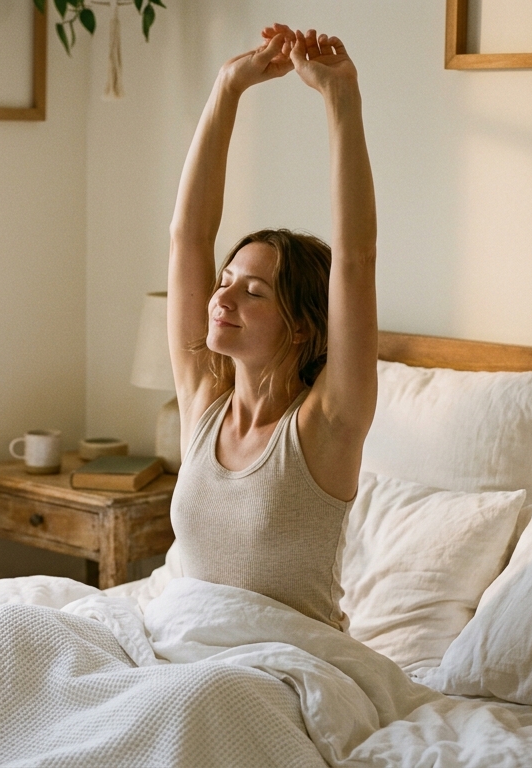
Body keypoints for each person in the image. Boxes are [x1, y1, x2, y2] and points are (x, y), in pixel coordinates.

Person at [166, 24, 377, 631]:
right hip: (188, 647)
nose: (221, 298)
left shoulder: (327, 424)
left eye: (253, 291)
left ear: (304, 327)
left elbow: (356, 259)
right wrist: (227, 88)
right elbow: (188, 238)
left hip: (286, 663)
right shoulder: (203, 402)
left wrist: (341, 97)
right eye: (225, 280)